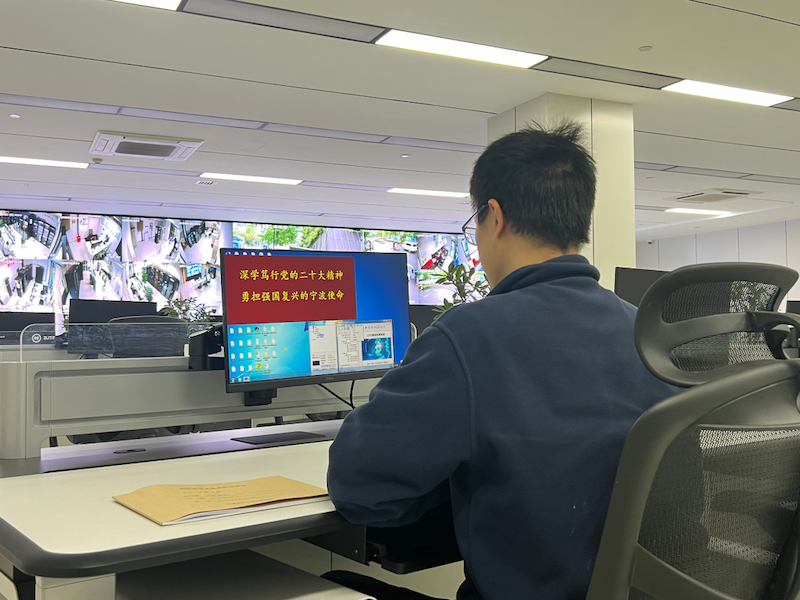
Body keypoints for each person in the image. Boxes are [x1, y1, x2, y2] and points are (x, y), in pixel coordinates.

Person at [325, 122, 677, 600]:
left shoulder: (468, 336)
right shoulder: (650, 335)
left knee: (328, 582)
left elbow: (358, 488)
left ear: (495, 217)